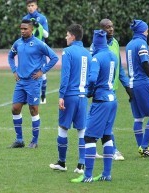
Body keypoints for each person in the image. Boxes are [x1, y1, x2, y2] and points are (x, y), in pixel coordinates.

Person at [71, 30, 118, 183]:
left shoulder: (97, 58)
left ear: (95, 43)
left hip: (101, 101)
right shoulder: (113, 55)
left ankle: (88, 176)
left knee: (89, 137)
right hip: (112, 99)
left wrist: (90, 92)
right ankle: (106, 174)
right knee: (106, 135)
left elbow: (91, 79)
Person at [8, 19, 58, 148]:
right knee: (15, 108)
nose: (22, 31)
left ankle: (34, 141)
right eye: (21, 29)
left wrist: (42, 71)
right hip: (20, 82)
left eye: (25, 29)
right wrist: (14, 70)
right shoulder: (17, 43)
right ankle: (19, 140)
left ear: (31, 30)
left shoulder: (39, 44)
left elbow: (54, 58)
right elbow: (10, 56)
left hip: (33, 82)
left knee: (33, 109)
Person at [49, 24, 91, 174]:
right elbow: (91, 76)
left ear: (73, 36)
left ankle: (62, 162)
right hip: (83, 97)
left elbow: (65, 76)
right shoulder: (88, 53)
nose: (65, 37)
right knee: (82, 130)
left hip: (70, 96)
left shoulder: (67, 52)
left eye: (67, 35)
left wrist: (61, 96)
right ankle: (81, 165)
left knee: (63, 128)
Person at [90, 19, 133, 161]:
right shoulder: (94, 47)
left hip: (111, 90)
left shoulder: (115, 43)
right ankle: (112, 150)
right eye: (108, 27)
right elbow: (92, 71)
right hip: (99, 92)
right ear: (101, 30)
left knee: (104, 122)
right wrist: (90, 90)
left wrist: (127, 87)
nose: (111, 29)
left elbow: (119, 68)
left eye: (112, 26)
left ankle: (92, 148)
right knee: (105, 122)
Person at [125, 19, 149, 157]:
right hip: (142, 83)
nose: (148, 32)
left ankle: (142, 149)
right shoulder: (141, 43)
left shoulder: (129, 44)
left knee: (138, 118)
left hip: (132, 84)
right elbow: (145, 63)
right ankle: (144, 146)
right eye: (146, 29)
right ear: (142, 31)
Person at [23, 0, 49, 104]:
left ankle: (43, 95)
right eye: (28, 6)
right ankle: (29, 96)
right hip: (28, 50)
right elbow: (23, 35)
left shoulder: (42, 18)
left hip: (40, 50)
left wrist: (37, 25)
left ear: (36, 6)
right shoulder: (25, 19)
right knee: (27, 72)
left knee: (42, 73)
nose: (30, 7)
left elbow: (46, 35)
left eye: (32, 5)